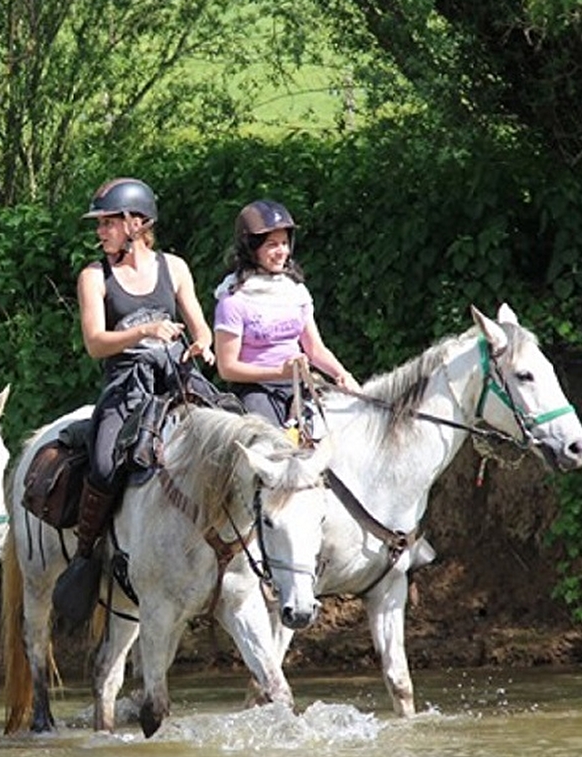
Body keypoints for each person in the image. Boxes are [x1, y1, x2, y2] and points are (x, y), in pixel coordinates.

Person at [52, 177, 221, 625]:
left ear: (137, 224)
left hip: (176, 377)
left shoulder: (175, 267)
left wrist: (201, 344)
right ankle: (88, 554)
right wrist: (144, 331)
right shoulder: (93, 276)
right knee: (105, 463)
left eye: (108, 222)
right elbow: (95, 342)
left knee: (231, 434)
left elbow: (199, 325)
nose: (100, 231)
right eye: (101, 224)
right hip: (126, 383)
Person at [212, 200, 359, 434]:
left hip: (300, 384)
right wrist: (279, 373)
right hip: (256, 391)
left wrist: (343, 375)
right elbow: (227, 368)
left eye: (284, 243)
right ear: (251, 248)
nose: (282, 251)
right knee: (271, 447)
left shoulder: (295, 292)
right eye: (272, 245)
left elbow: (315, 349)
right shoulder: (233, 301)